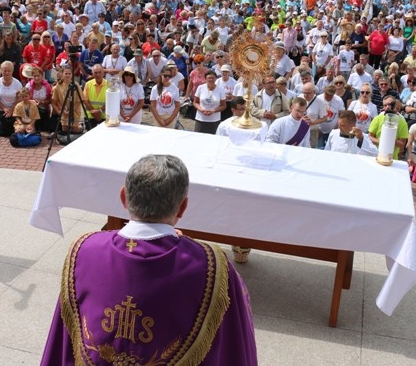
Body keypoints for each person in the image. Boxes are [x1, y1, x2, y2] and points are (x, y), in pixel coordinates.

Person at [40, 154, 258, 365]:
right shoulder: (209, 265)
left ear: (124, 198)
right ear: (182, 207)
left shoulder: (84, 250)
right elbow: (232, 342)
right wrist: (187, 247)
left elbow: (63, 344)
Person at [0, 61, 23, 137]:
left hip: (15, 109)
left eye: (9, 71)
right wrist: (4, 108)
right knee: (3, 133)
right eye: (5, 70)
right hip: (2, 109)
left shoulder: (17, 83)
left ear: (12, 71)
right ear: (1, 71)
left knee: (13, 131)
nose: (7, 73)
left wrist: (11, 109)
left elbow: (19, 99)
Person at [193, 70, 226, 134]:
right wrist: (201, 110)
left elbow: (223, 105)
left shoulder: (220, 89)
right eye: (209, 78)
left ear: (215, 78)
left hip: (214, 119)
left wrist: (213, 111)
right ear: (205, 79)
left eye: (213, 78)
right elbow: (195, 102)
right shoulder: (200, 88)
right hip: (201, 118)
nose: (211, 80)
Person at [82, 64, 107, 129]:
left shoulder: (109, 85)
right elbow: (85, 100)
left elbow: (110, 102)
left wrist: (99, 111)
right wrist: (95, 113)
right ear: (92, 73)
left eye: (99, 72)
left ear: (103, 73)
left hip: (104, 116)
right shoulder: (88, 84)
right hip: (90, 116)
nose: (98, 75)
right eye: (95, 73)